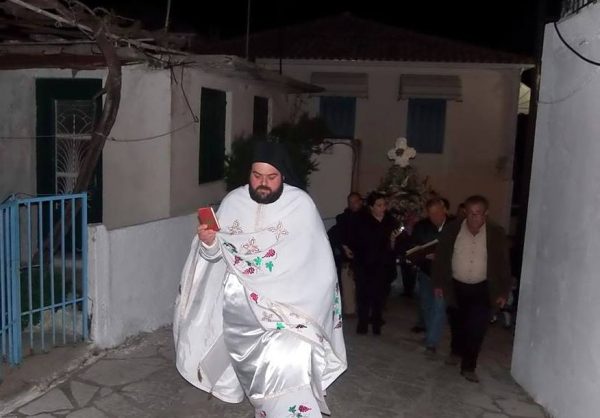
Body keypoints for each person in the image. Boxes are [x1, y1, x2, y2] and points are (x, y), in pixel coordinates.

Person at [173, 142, 347, 417]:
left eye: (271, 177)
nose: (263, 183)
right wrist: (208, 243)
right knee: (262, 380)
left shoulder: (300, 205)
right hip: (242, 311)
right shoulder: (234, 202)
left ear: (283, 175)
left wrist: (314, 310)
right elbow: (218, 255)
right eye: (257, 175)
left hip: (291, 309)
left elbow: (320, 265)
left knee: (289, 364)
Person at [432, 195, 511, 383]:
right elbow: (441, 258)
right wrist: (438, 284)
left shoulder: (496, 233)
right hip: (456, 286)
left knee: (477, 328)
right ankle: (456, 350)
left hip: (483, 288)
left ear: (486, 213)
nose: (474, 218)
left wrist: (503, 291)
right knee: (458, 323)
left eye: (478, 213)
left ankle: (469, 366)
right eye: (470, 213)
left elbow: (503, 264)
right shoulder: (452, 230)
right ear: (464, 212)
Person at [347, 192, 400, 335]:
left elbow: (395, 246)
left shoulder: (390, 221)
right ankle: (363, 323)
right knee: (363, 295)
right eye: (379, 205)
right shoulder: (361, 220)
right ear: (371, 207)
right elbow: (354, 241)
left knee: (379, 296)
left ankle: (377, 323)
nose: (383, 208)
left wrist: (393, 241)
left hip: (383, 265)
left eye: (384, 205)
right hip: (364, 264)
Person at [408, 197, 451, 354]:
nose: (434, 217)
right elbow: (412, 248)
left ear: (444, 210)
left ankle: (432, 342)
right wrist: (423, 255)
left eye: (437, 213)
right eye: (431, 214)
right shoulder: (422, 227)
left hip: (445, 274)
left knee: (439, 307)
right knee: (426, 305)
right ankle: (430, 333)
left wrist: (442, 256)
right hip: (426, 271)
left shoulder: (454, 226)